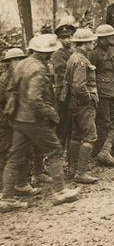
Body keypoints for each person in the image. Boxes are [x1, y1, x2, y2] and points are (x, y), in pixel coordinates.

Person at [0, 35, 80, 212]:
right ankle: (60, 192)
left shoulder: (23, 64)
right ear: (46, 52)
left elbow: (12, 90)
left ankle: (7, 198)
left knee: (14, 157)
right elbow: (34, 98)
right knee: (54, 150)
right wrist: (50, 112)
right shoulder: (38, 68)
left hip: (18, 118)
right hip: (34, 119)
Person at [0, 48, 40, 196]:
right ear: (8, 63)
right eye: (14, 60)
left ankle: (22, 184)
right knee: (4, 153)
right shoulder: (3, 80)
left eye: (21, 59)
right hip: (5, 123)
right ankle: (4, 190)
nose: (18, 62)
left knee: (26, 151)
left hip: (22, 121)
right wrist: (6, 121)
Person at [62, 29, 99, 184]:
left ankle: (73, 169)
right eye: (91, 41)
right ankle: (81, 172)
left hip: (74, 104)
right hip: (83, 104)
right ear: (85, 43)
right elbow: (78, 86)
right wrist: (89, 98)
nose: (93, 43)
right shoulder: (82, 60)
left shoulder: (73, 57)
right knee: (91, 136)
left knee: (76, 136)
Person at [88, 25, 114, 167]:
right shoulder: (94, 54)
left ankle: (105, 151)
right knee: (103, 123)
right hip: (102, 94)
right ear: (102, 39)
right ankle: (102, 154)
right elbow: (90, 75)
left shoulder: (111, 50)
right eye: (111, 36)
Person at [51, 16, 77, 146]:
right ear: (59, 39)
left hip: (74, 91)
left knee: (73, 125)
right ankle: (57, 157)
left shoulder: (74, 52)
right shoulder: (58, 54)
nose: (67, 40)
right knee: (63, 125)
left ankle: (70, 159)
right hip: (63, 93)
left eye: (69, 37)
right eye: (63, 38)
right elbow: (64, 73)